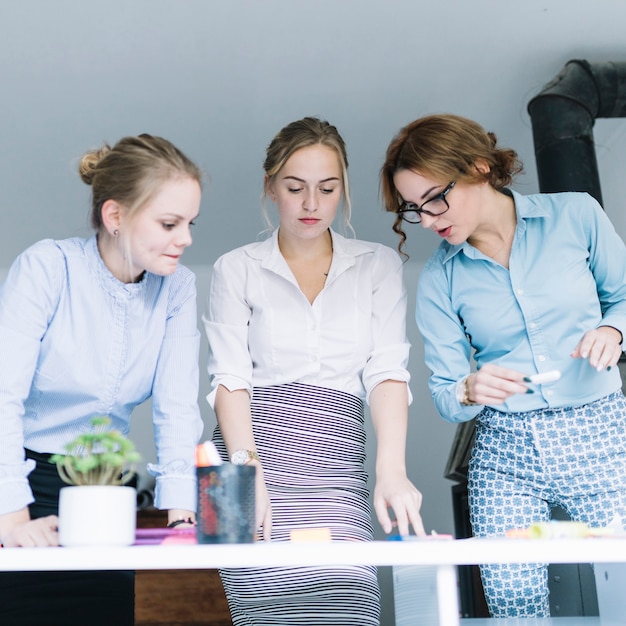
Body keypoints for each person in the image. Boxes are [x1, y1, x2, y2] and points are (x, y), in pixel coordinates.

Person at [380, 112, 626, 617]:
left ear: (479, 167)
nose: (427, 219)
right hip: (506, 455)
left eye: (434, 199)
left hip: (601, 435)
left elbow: (623, 296)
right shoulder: (439, 280)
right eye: (413, 209)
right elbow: (447, 395)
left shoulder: (576, 216)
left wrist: (612, 329)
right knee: (514, 603)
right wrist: (471, 388)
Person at [203, 116, 424, 625]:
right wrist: (244, 471)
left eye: (327, 189)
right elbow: (229, 379)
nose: (311, 204)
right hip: (248, 450)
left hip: (336, 462)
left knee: (347, 604)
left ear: (343, 188)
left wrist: (392, 469)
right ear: (270, 187)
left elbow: (388, 373)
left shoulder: (378, 266)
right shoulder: (234, 268)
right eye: (295, 187)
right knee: (264, 610)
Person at [0, 134, 205, 625]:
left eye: (191, 223)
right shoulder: (46, 268)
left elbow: (177, 410)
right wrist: (11, 515)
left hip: (106, 493)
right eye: (170, 224)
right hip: (24, 482)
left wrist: (180, 516)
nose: (187, 239)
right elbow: (3, 395)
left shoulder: (178, 288)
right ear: (115, 217)